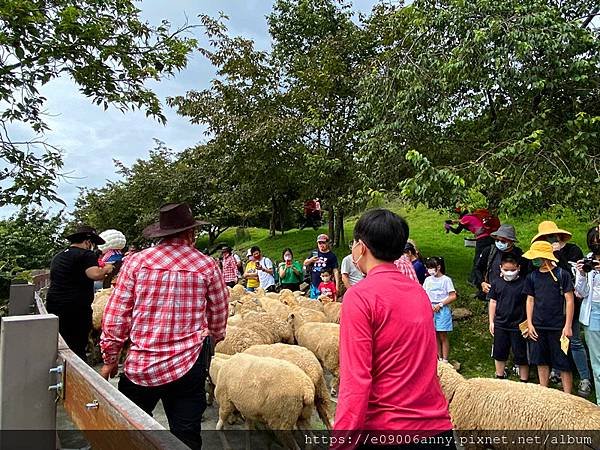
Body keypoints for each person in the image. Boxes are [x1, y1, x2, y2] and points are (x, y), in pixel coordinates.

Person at [100, 203, 229, 450]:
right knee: (186, 436)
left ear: (161, 233)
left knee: (128, 432)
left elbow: (117, 315)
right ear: (191, 233)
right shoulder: (206, 265)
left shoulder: (136, 262)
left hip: (141, 365)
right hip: (188, 364)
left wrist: (110, 357)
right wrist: (214, 337)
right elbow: (219, 313)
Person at [334, 209, 453, 449]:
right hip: (436, 431)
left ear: (362, 247)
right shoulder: (418, 293)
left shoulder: (359, 297)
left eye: (354, 243)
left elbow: (356, 380)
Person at [531, 221, 591, 397]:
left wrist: (557, 254)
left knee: (574, 341)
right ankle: (555, 372)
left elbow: (573, 278)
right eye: (545, 237)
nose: (549, 239)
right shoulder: (542, 251)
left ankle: (584, 377)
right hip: (548, 308)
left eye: (551, 235)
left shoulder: (573, 250)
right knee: (553, 342)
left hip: (570, 303)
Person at [46, 226, 114, 362]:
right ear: (88, 242)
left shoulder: (59, 256)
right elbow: (95, 274)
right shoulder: (86, 255)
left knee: (61, 343)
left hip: (54, 306)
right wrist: (107, 268)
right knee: (77, 346)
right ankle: (77, 376)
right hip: (75, 310)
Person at [523, 240, 574, 394]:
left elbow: (569, 300)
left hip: (558, 326)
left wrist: (568, 325)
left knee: (563, 362)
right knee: (541, 360)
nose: (534, 260)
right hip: (538, 325)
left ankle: (568, 396)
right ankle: (544, 392)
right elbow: (530, 300)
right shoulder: (532, 277)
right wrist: (530, 323)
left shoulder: (561, 275)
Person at [487, 253, 529, 382]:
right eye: (506, 270)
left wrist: (528, 323)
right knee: (499, 353)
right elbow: (493, 302)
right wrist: (491, 321)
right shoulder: (496, 283)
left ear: (518, 268)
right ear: (500, 268)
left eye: (512, 270)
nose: (509, 273)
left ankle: (524, 380)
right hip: (500, 324)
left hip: (519, 325)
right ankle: (500, 376)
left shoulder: (524, 283)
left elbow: (529, 302)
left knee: (521, 354)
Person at [575, 225, 600, 404]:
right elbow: (580, 293)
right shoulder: (587, 261)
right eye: (593, 243)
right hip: (593, 313)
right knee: (597, 362)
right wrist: (582, 274)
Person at [475, 224, 526, 301]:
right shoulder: (489, 251)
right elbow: (478, 268)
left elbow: (524, 274)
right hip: (492, 292)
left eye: (503, 241)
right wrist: (482, 283)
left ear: (511, 241)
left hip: (512, 294)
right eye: (497, 240)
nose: (499, 243)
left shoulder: (519, 255)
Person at [445, 209, 496, 285]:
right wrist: (453, 222)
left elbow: (457, 231)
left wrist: (448, 227)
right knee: (486, 258)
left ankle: (474, 280)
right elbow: (464, 224)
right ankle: (485, 277)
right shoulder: (473, 217)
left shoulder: (466, 218)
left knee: (477, 260)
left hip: (482, 240)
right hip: (490, 238)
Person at [423, 257, 457, 363]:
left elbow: (453, 296)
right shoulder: (428, 280)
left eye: (432, 268)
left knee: (442, 334)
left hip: (442, 309)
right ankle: (438, 357)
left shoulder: (446, 280)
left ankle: (445, 359)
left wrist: (441, 304)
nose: (430, 270)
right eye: (428, 268)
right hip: (430, 309)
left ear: (438, 267)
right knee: (434, 334)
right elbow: (424, 293)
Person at [304, 234, 340, 299]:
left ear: (327, 243)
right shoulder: (314, 253)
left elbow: (335, 270)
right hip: (314, 284)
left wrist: (337, 285)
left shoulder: (332, 256)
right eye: (319, 243)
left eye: (323, 243)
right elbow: (305, 263)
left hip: (326, 286)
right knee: (314, 303)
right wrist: (311, 260)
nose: (321, 245)